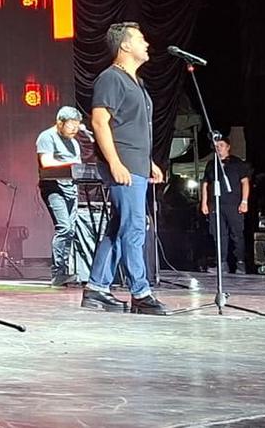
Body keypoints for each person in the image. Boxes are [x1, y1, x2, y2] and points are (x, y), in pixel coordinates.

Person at [82, 22, 169, 315]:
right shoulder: (111, 78)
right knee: (133, 227)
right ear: (125, 45)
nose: (147, 43)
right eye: (141, 39)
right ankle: (140, 293)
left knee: (120, 226)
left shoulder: (136, 82)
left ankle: (96, 288)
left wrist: (148, 162)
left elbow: (132, 127)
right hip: (124, 165)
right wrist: (115, 162)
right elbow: (99, 122)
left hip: (136, 163)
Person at [36, 106, 84, 287]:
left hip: (71, 188)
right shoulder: (46, 137)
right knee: (64, 228)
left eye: (77, 125)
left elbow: (78, 167)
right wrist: (70, 164)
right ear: (60, 122)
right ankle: (58, 273)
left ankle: (65, 271)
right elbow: (46, 162)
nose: (75, 129)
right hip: (54, 188)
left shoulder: (74, 143)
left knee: (71, 230)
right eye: (71, 125)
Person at [199, 135, 251, 274]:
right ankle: (222, 263)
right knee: (219, 234)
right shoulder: (212, 164)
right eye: (217, 146)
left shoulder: (237, 163)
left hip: (233, 204)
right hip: (216, 204)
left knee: (237, 234)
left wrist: (244, 201)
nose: (219, 148)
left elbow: (245, 182)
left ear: (228, 147)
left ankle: (240, 263)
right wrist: (204, 203)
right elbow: (205, 184)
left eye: (221, 145)